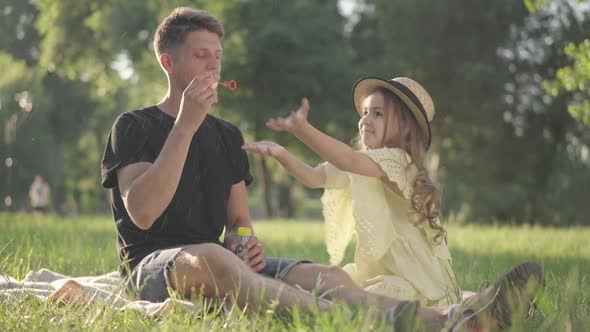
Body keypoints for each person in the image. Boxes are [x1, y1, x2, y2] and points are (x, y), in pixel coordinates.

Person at [100, 7, 543, 331]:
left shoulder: (227, 135)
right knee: (214, 256)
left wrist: (245, 244)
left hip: (220, 260)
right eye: (201, 56)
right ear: (168, 63)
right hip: (152, 268)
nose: (214, 66)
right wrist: (184, 127)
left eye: (218, 55)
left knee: (328, 276)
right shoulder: (133, 126)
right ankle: (379, 323)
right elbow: (142, 212)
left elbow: (238, 224)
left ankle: (451, 320)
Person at [243, 77, 461, 306]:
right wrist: (282, 154)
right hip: (378, 275)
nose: (366, 120)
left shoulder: (401, 162)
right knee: (333, 283)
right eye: (364, 112)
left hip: (413, 283)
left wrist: (302, 129)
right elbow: (314, 177)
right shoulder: (363, 165)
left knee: (345, 298)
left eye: (378, 114)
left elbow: (348, 159)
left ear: (405, 127)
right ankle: (266, 290)